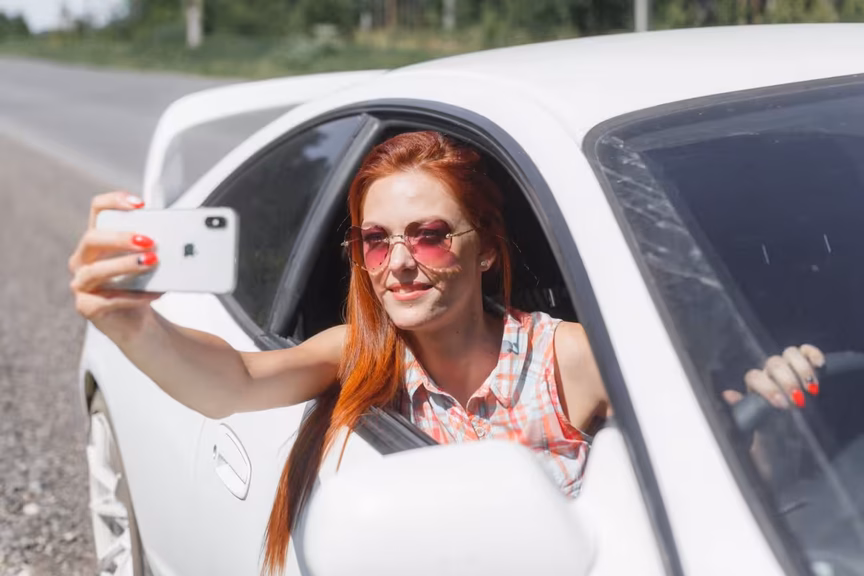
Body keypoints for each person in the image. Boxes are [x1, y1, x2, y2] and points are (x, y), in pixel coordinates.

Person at [68, 131, 824, 574]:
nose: (399, 263)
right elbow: (235, 381)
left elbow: (705, 457)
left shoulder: (568, 358)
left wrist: (770, 407)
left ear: (486, 249)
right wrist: (132, 325)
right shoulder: (364, 353)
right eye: (376, 241)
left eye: (429, 235)